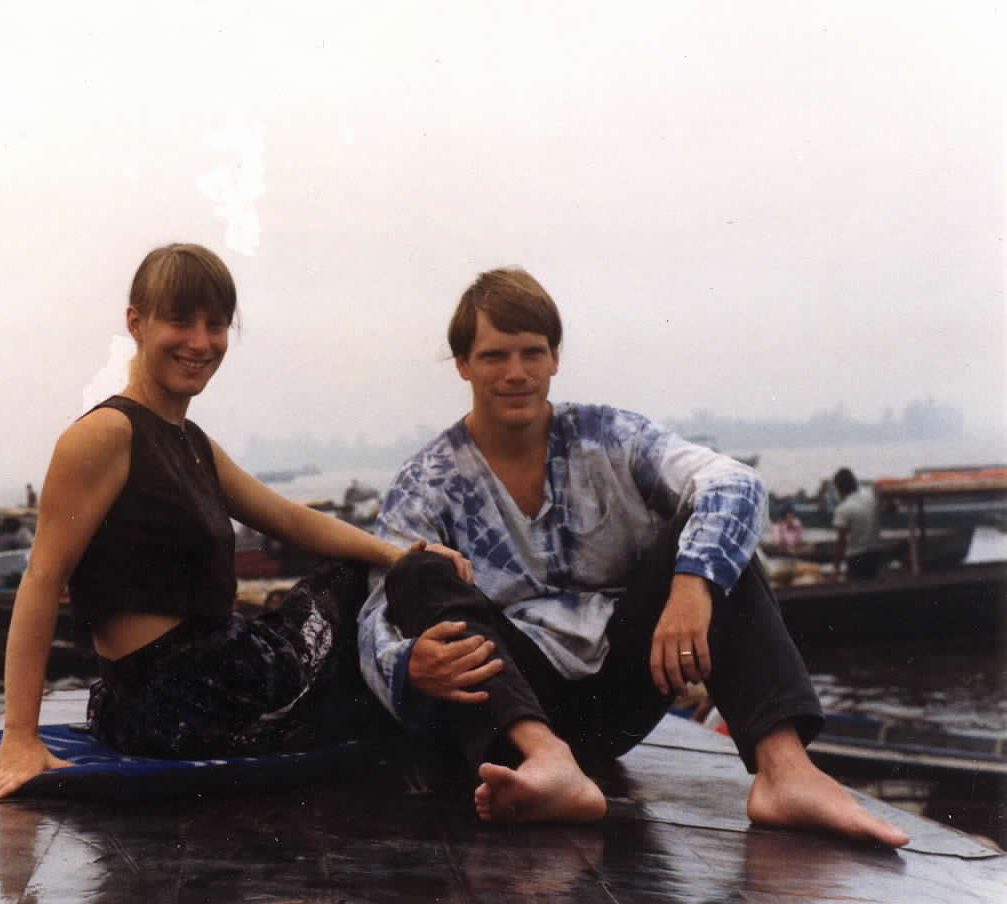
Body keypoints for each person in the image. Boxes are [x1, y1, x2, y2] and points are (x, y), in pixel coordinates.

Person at [356, 267, 907, 846]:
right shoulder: (428, 479)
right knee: (416, 569)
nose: (516, 373)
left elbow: (736, 483)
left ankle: (785, 773)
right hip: (506, 712)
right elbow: (375, 615)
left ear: (555, 357)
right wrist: (408, 665)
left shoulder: (608, 437)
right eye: (494, 356)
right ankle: (550, 761)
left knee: (715, 533)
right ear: (464, 365)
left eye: (531, 352)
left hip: (617, 694)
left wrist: (692, 585)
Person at [0, 243, 468, 801]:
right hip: (186, 698)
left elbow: (286, 517)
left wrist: (400, 555)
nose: (200, 342)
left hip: (188, 688)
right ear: (136, 323)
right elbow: (41, 578)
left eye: (216, 325)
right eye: (180, 321)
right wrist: (19, 737)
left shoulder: (190, 441)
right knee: (359, 594)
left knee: (376, 571)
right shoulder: (105, 434)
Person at [831, 468, 882, 580]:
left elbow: (841, 542)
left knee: (856, 586)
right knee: (873, 584)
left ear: (839, 488)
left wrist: (836, 568)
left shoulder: (843, 509)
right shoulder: (872, 499)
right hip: (876, 555)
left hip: (856, 557)